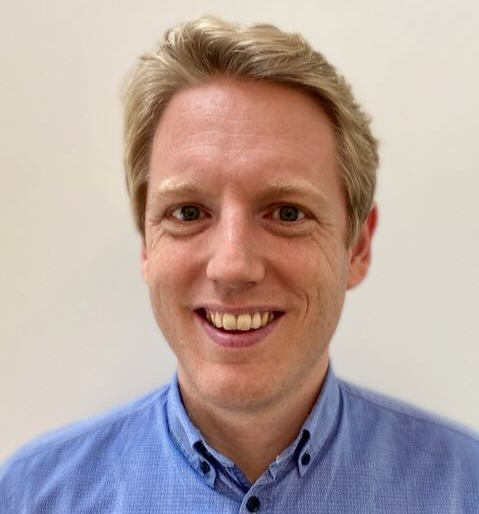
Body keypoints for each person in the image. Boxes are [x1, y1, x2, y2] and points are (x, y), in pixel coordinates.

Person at [1, 15, 478, 513]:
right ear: (146, 244)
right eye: (188, 213)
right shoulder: (31, 498)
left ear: (356, 247)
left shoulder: (465, 489)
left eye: (287, 213)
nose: (231, 266)